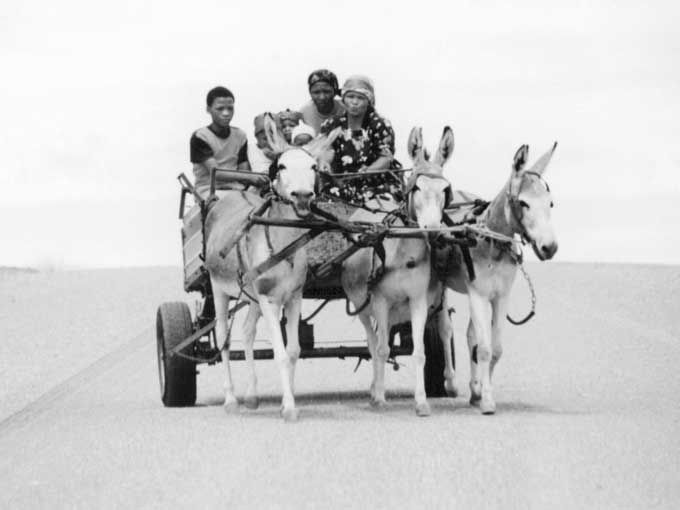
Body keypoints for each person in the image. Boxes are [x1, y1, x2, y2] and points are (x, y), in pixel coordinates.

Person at [319, 75, 398, 174]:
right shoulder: (331, 124)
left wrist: (369, 171)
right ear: (343, 99)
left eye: (360, 98)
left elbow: (386, 158)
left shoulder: (380, 124)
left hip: (374, 178)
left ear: (368, 102)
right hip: (341, 178)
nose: (355, 102)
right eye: (350, 96)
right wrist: (325, 162)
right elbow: (326, 149)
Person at [190, 86, 250, 197]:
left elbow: (244, 171)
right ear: (208, 109)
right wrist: (250, 177)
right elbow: (216, 173)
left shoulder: (240, 136)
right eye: (220, 108)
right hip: (209, 191)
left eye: (230, 108)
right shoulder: (201, 136)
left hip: (236, 189)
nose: (226, 113)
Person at [299, 69, 346, 134]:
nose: (322, 97)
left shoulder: (346, 109)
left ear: (334, 92)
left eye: (326, 91)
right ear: (310, 93)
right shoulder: (304, 113)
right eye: (316, 92)